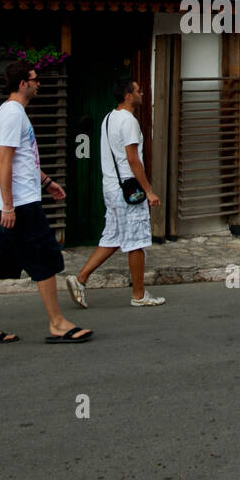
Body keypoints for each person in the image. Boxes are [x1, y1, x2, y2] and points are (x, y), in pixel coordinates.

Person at [0, 61, 93, 345]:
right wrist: (10, 206)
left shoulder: (7, 111)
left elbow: (23, 160)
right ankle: (58, 323)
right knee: (46, 259)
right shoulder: (14, 114)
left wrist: (47, 182)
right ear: (23, 83)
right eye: (35, 79)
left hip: (5, 204)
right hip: (21, 205)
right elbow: (5, 161)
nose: (39, 83)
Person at [66, 77, 164, 308]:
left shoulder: (109, 118)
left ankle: (80, 279)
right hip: (128, 189)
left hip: (111, 187)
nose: (142, 93)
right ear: (128, 96)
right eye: (138, 90)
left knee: (113, 237)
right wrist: (148, 190)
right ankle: (139, 295)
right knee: (136, 242)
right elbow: (132, 159)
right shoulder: (129, 121)